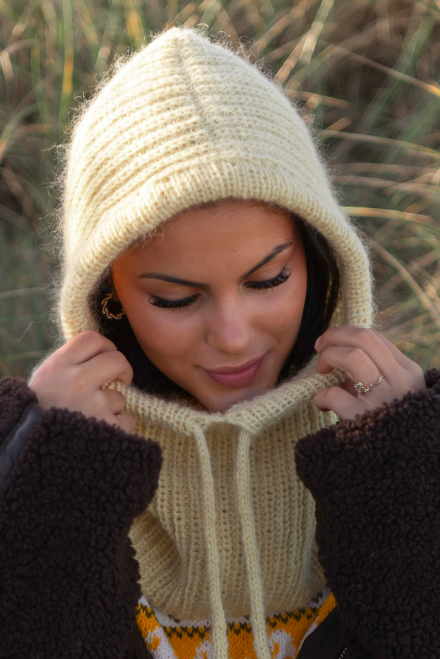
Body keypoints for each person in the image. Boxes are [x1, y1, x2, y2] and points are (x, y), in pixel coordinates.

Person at [0, 25, 439, 659]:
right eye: (174, 299)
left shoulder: (408, 436)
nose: (233, 338)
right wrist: (48, 478)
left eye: (269, 279)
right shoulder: (34, 460)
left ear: (320, 258)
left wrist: (408, 472)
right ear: (105, 293)